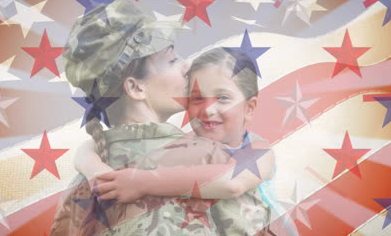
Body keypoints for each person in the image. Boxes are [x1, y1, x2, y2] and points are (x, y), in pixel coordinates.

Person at [50, 0, 274, 236]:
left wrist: (88, 156)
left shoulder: (81, 185)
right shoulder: (215, 159)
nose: (187, 65)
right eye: (172, 60)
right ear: (136, 88)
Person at [77, 48, 278, 235]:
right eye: (197, 98)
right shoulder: (190, 148)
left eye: (223, 98)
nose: (208, 110)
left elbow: (232, 181)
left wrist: (140, 181)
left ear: (250, 108)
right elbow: (89, 146)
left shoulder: (257, 147)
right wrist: (89, 161)